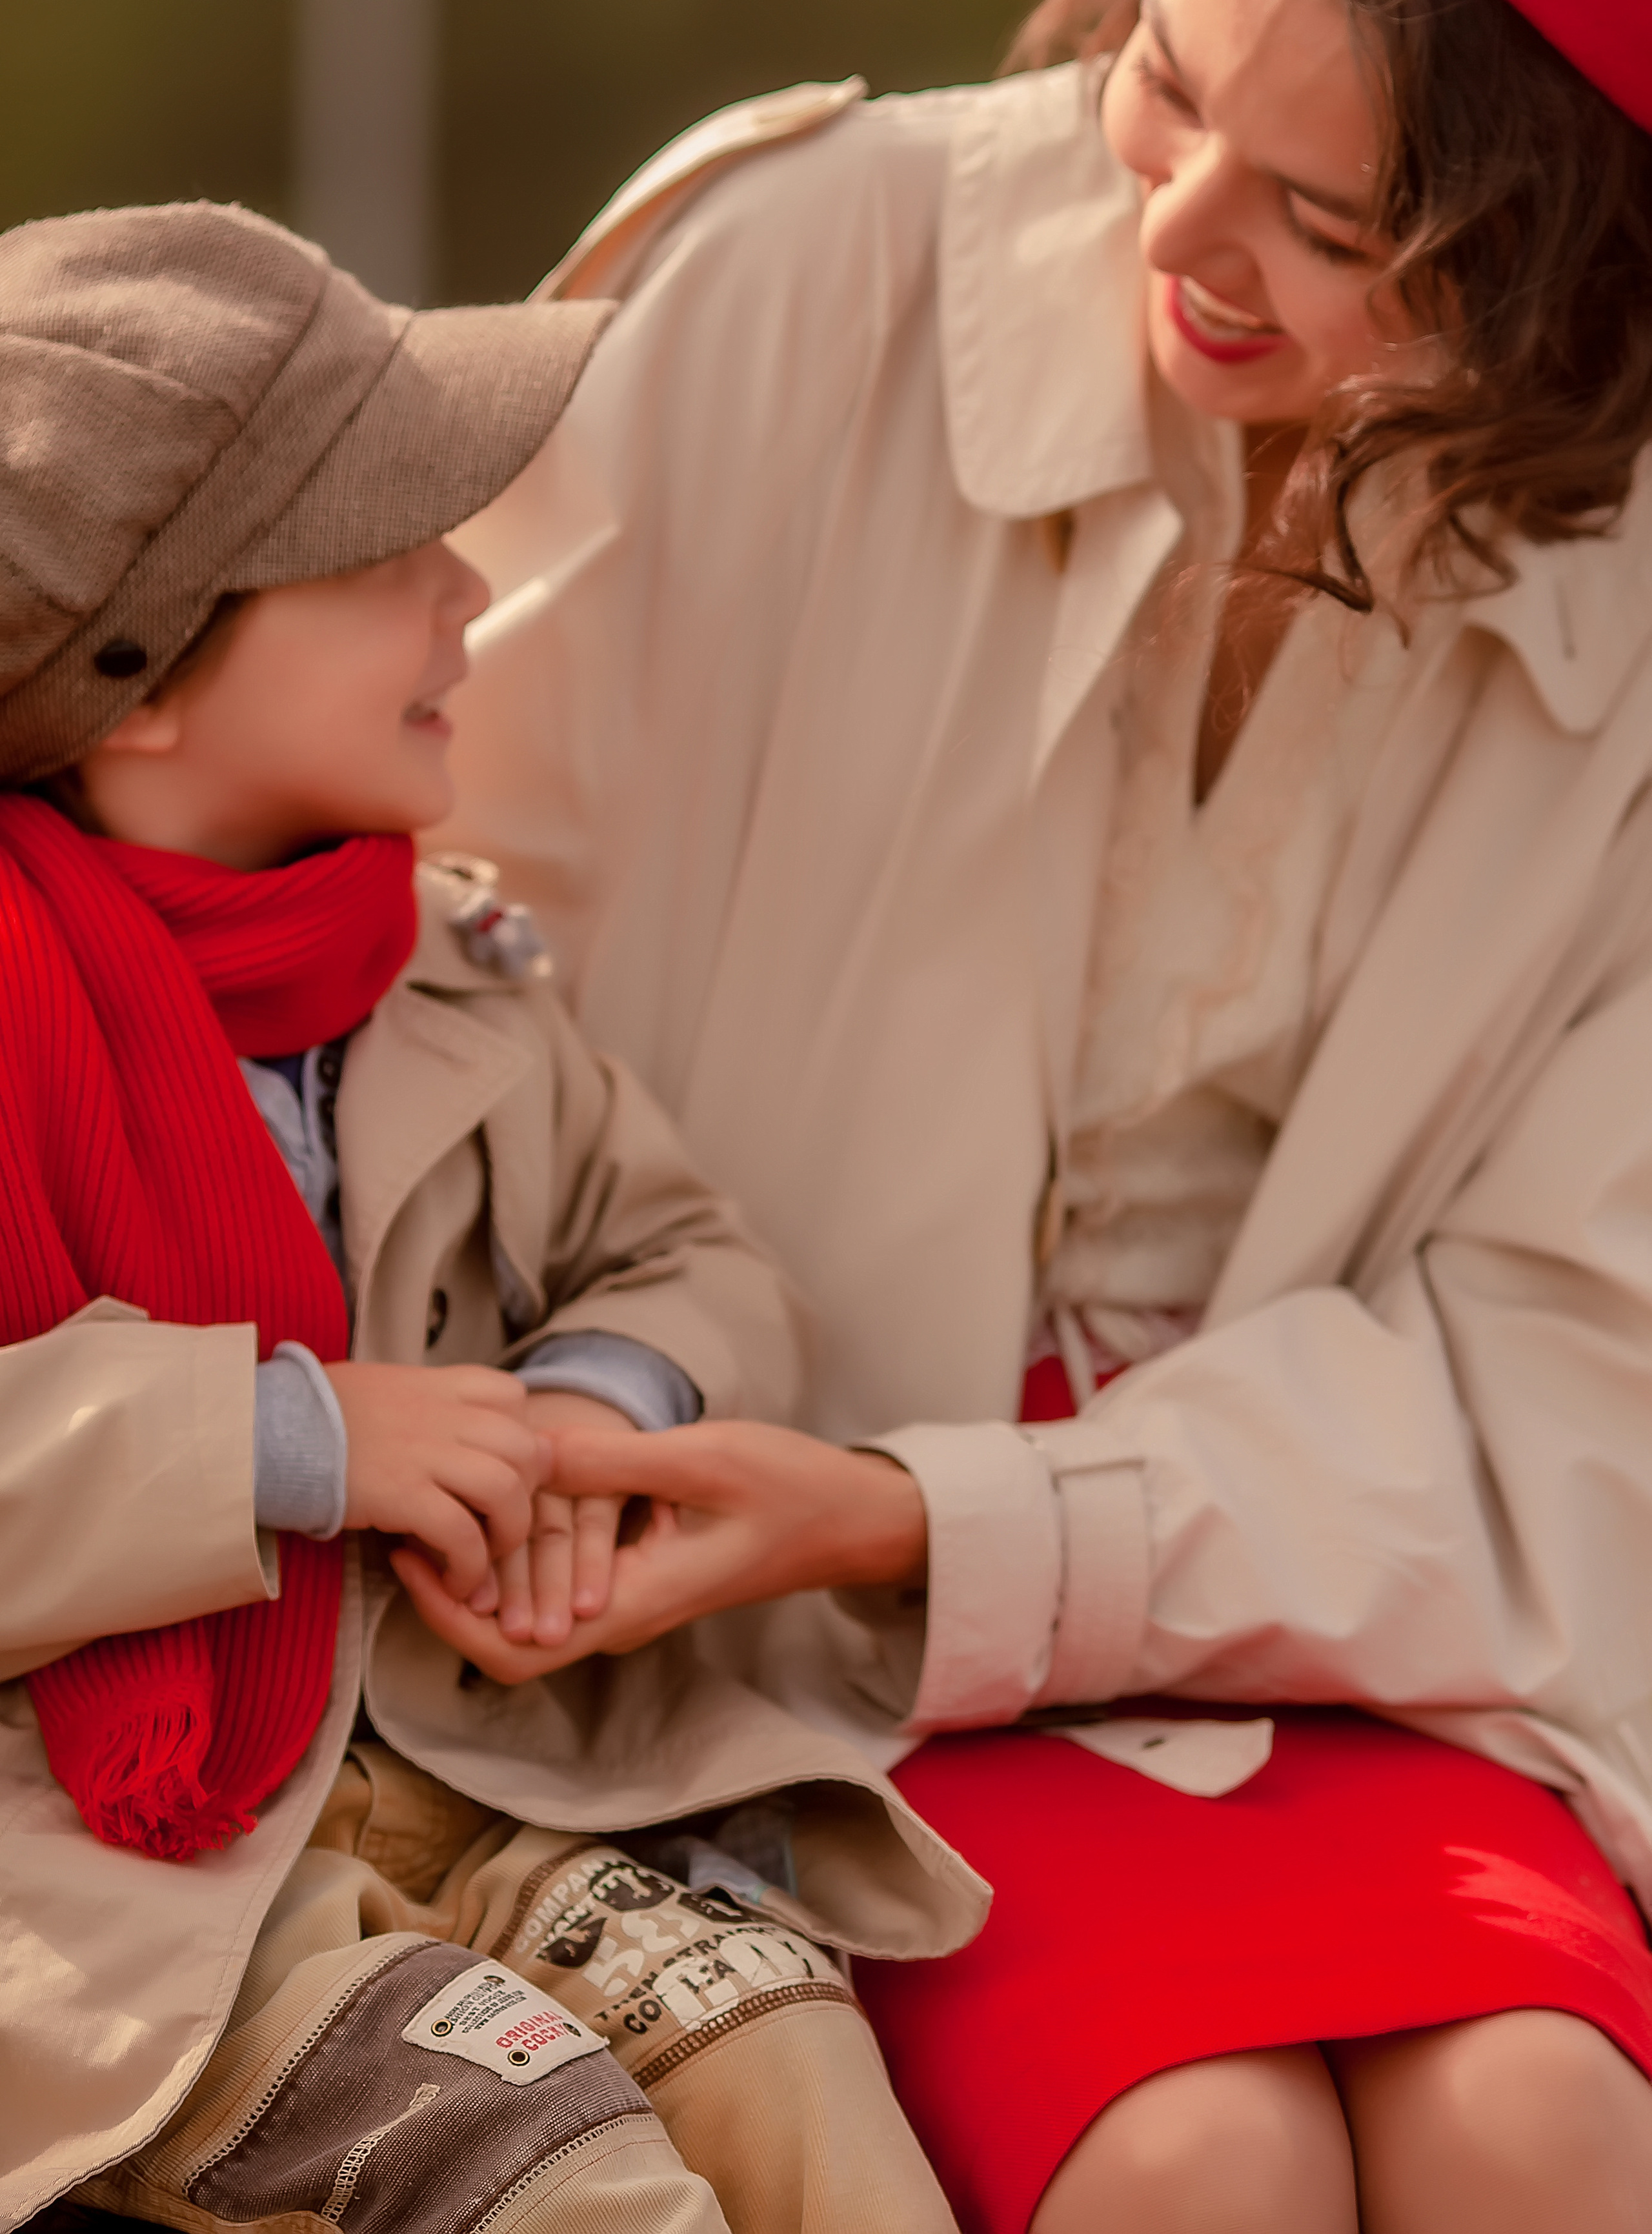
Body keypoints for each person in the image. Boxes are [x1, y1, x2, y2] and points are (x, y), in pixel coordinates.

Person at [434, 0, 1652, 2227]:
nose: (1175, 227)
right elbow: (424, 940)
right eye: (1166, 82)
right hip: (738, 1619)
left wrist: (935, 1521)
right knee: (1196, 2165)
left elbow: (1578, 1385)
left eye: (1332, 221)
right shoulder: (791, 272)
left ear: (1576, 264)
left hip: (1363, 1611)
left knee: (1544, 2123)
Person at [0, 202, 981, 2234]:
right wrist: (296, 1439)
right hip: (113, 1870)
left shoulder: (446, 967)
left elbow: (688, 1252)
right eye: (385, 561)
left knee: (799, 2071)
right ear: (140, 684)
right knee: (557, 2180)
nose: (467, 593)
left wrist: (592, 1413)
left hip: (486, 1775)